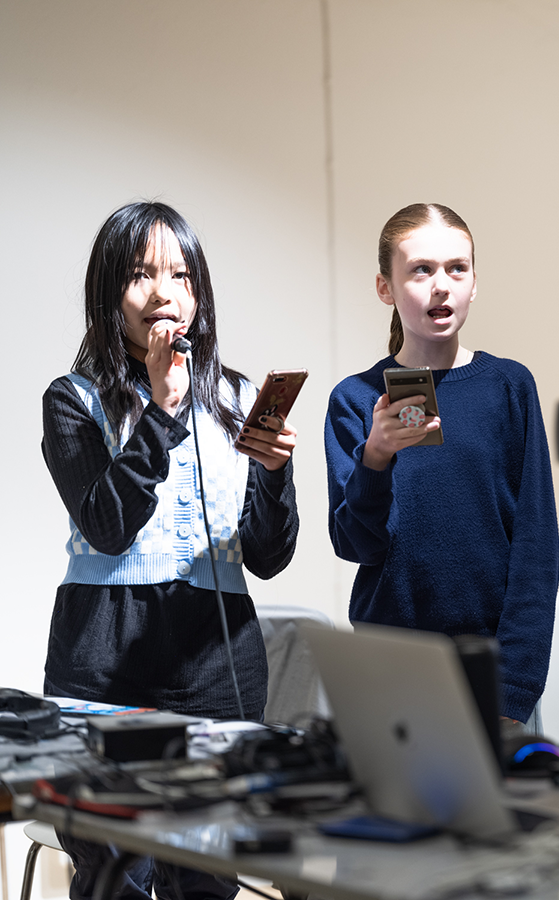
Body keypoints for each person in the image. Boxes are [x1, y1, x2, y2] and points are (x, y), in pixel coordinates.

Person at [41, 201, 300, 900]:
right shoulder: (73, 400)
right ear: (109, 295)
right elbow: (107, 525)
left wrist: (276, 473)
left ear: (199, 294)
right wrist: (160, 411)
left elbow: (270, 555)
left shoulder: (242, 397)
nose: (164, 293)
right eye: (140, 274)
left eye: (181, 276)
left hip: (217, 660)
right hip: (103, 652)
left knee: (207, 875)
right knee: (114, 873)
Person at [325, 203, 559, 727]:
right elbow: (354, 545)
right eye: (421, 270)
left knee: (499, 810)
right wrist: (375, 458)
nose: (441, 285)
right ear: (385, 287)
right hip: (388, 665)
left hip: (492, 673)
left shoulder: (508, 386)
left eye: (457, 268)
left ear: (474, 282)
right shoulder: (356, 399)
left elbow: (536, 547)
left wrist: (514, 689)